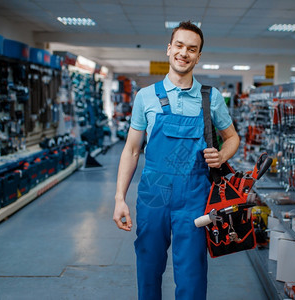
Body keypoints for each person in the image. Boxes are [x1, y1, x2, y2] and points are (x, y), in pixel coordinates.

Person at [113, 21, 240, 300]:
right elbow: (132, 150)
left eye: (192, 49)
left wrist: (221, 155)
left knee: (192, 273)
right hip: (153, 195)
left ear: (198, 56)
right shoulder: (145, 97)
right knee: (148, 267)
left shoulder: (211, 98)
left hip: (194, 196)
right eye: (179, 46)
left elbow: (232, 138)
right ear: (169, 49)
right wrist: (119, 198)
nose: (184, 53)